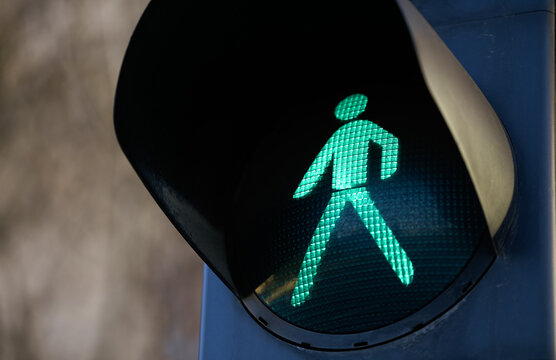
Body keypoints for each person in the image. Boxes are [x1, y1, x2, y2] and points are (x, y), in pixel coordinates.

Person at [291, 93, 414, 307]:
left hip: (351, 190)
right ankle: (405, 272)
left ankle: (301, 293)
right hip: (341, 191)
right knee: (325, 237)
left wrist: (387, 170)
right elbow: (321, 163)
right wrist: (302, 190)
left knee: (325, 238)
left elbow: (389, 141)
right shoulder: (346, 131)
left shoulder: (361, 127)